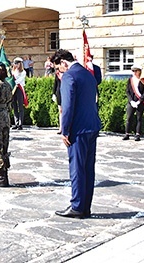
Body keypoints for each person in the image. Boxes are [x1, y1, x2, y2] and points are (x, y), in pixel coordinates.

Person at [52, 49, 101, 219]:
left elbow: (67, 107)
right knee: (88, 169)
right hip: (92, 125)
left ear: (64, 63)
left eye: (58, 68)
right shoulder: (88, 73)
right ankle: (85, 206)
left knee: (77, 169)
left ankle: (77, 206)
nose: (59, 72)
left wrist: (65, 130)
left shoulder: (69, 76)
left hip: (78, 129)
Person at [124, 64, 144, 142]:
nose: (135, 72)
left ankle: (138, 134)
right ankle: (127, 134)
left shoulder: (143, 80)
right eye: (133, 71)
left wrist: (139, 101)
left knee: (139, 119)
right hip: (131, 102)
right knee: (129, 118)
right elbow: (127, 91)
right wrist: (131, 101)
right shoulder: (130, 80)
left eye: (136, 71)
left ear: (140, 71)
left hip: (140, 102)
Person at [11, 57, 27, 130]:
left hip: (19, 89)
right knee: (14, 106)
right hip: (14, 89)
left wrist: (13, 80)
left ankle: (20, 124)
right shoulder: (13, 71)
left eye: (17, 63)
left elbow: (18, 81)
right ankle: (16, 123)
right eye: (15, 63)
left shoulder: (23, 72)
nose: (16, 65)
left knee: (20, 106)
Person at [52, 68, 63, 134]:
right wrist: (54, 93)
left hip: (66, 92)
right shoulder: (57, 74)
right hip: (59, 92)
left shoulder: (67, 73)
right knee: (60, 111)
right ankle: (61, 127)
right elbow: (55, 84)